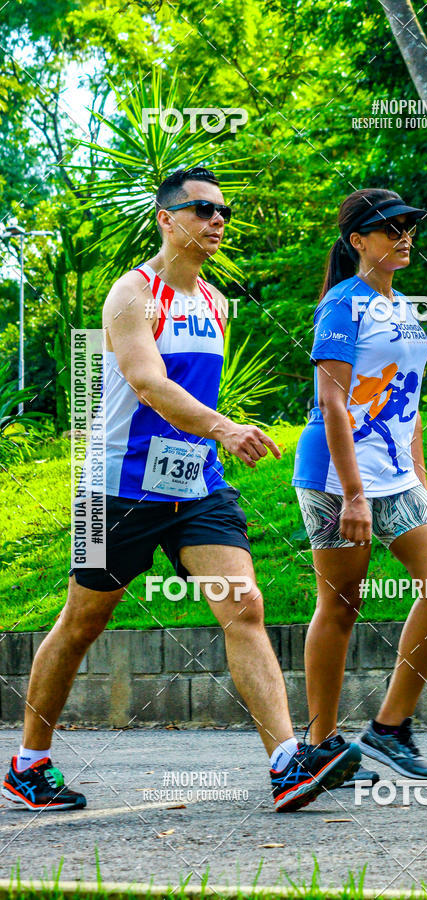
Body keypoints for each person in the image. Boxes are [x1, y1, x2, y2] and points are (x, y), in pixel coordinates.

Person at [2, 166, 360, 813]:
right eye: (201, 209)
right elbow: (147, 382)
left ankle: (286, 764)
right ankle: (29, 764)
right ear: (166, 220)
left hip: (196, 487)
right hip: (112, 491)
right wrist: (225, 428)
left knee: (244, 606)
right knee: (82, 624)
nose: (216, 219)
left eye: (223, 210)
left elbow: (192, 391)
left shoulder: (216, 303)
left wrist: (213, 441)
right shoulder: (131, 295)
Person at [291, 188, 427, 783]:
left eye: (409, 226)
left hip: (395, 474)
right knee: (340, 606)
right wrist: (355, 494)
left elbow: (407, 401)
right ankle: (320, 746)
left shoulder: (405, 309)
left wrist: (418, 472)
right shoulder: (343, 306)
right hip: (336, 478)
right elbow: (330, 404)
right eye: (390, 228)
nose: (405, 236)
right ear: (358, 241)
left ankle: (389, 729)